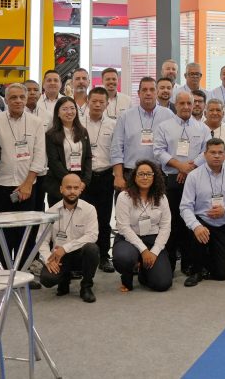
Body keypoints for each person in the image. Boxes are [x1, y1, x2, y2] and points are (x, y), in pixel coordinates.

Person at [154, 91, 211, 273]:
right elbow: (158, 151)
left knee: (190, 222)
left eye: (189, 103)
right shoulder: (164, 126)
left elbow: (206, 151)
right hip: (171, 180)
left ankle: (188, 264)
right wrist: (180, 166)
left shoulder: (202, 128)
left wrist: (189, 168)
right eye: (182, 103)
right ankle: (169, 263)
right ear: (175, 105)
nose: (186, 107)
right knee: (171, 223)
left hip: (195, 180)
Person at [179, 139, 225, 286]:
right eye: (212, 152)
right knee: (194, 230)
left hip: (223, 223)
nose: (216, 156)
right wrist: (196, 226)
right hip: (202, 221)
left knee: (221, 275)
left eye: (220, 152)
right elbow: (185, 207)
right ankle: (197, 271)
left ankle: (208, 263)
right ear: (205, 154)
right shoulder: (194, 176)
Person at [0, 83, 46, 265]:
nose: (18, 101)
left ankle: (23, 270)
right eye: (13, 97)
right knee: (2, 232)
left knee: (25, 232)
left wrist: (28, 183)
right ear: (6, 100)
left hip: (27, 186)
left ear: (26, 99)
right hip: (1, 185)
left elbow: (39, 155)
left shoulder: (36, 122)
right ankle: (3, 270)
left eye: (22, 97)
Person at [113, 160, 173, 292]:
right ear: (134, 177)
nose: (145, 177)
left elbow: (165, 227)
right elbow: (123, 227)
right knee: (124, 258)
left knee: (162, 284)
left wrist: (154, 252)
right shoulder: (124, 197)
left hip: (153, 239)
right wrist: (144, 250)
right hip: (129, 240)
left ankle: (143, 271)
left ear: (154, 177)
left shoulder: (161, 198)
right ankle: (127, 276)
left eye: (149, 174)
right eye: (141, 174)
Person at [39, 173, 99, 302]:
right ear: (61, 189)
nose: (72, 191)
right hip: (59, 257)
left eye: (76, 188)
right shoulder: (50, 212)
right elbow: (42, 241)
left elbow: (92, 236)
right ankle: (64, 279)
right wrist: (48, 260)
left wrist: (65, 248)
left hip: (80, 255)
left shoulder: (89, 209)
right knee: (47, 279)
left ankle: (86, 286)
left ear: (80, 189)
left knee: (92, 249)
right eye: (68, 187)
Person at [110, 76, 175, 192]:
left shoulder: (168, 115)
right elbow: (116, 147)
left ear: (157, 92)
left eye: (152, 90)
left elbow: (173, 145)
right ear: (138, 93)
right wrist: (118, 176)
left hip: (158, 173)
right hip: (131, 172)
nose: (148, 93)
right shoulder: (126, 116)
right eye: (144, 90)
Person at [82, 87, 117, 272]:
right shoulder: (78, 123)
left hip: (105, 176)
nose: (97, 105)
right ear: (87, 101)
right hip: (83, 178)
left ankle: (104, 256)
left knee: (104, 218)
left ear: (107, 104)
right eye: (94, 101)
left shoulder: (113, 125)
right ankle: (84, 257)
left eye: (101, 102)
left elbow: (117, 150)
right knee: (84, 218)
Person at [45, 97, 92, 204]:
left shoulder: (83, 132)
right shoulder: (51, 135)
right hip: (59, 183)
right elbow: (54, 161)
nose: (69, 112)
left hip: (80, 183)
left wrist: (84, 181)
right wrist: (70, 181)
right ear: (57, 113)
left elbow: (88, 157)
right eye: (64, 109)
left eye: (72, 108)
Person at [204, 98, 225, 163]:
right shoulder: (198, 129)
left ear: (223, 113)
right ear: (205, 113)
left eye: (218, 110)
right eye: (211, 110)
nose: (215, 113)